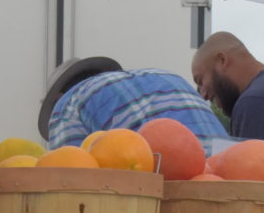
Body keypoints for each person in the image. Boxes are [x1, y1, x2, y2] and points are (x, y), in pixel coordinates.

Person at [39, 57, 232, 153]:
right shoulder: (165, 75)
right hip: (229, 182)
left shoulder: (67, 103)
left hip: (166, 195)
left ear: (59, 96)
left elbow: (68, 179)